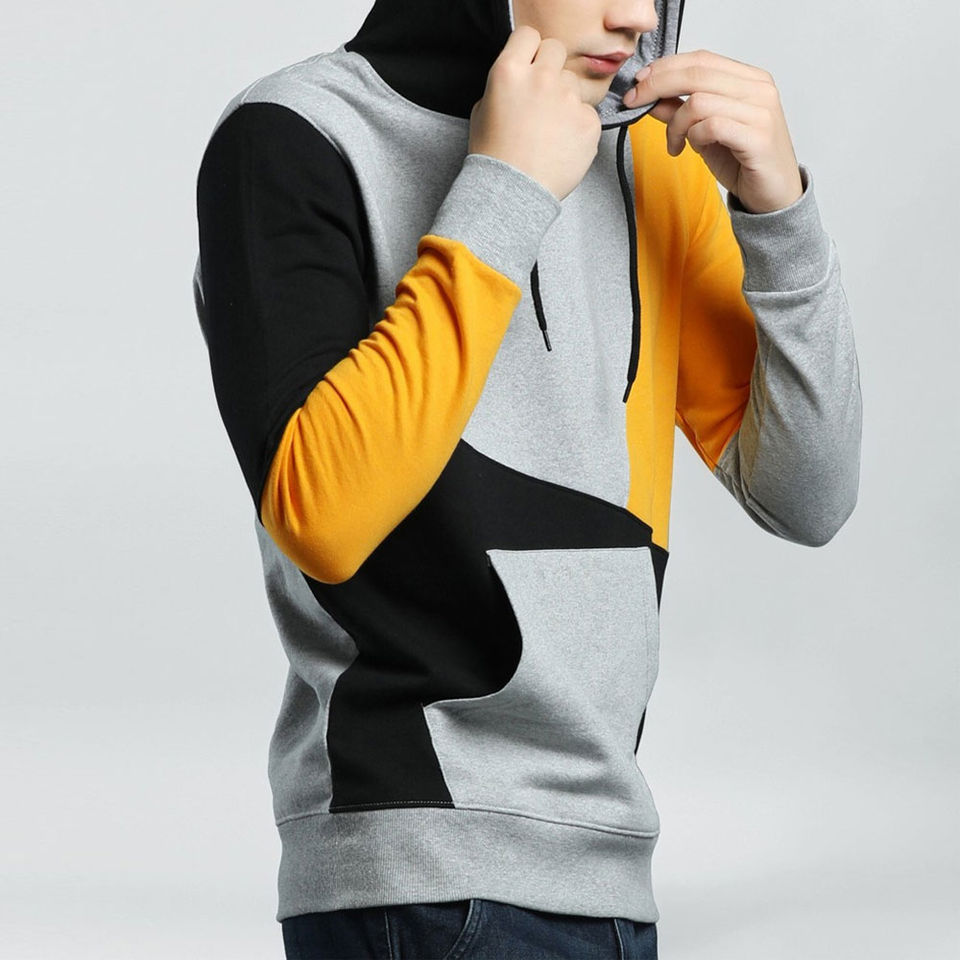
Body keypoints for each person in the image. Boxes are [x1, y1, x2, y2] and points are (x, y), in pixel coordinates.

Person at [192, 0, 863, 956]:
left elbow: (809, 495)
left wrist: (779, 212)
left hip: (612, 870)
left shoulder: (645, 162)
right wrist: (507, 185)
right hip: (417, 871)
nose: (636, 13)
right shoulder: (294, 135)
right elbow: (322, 517)